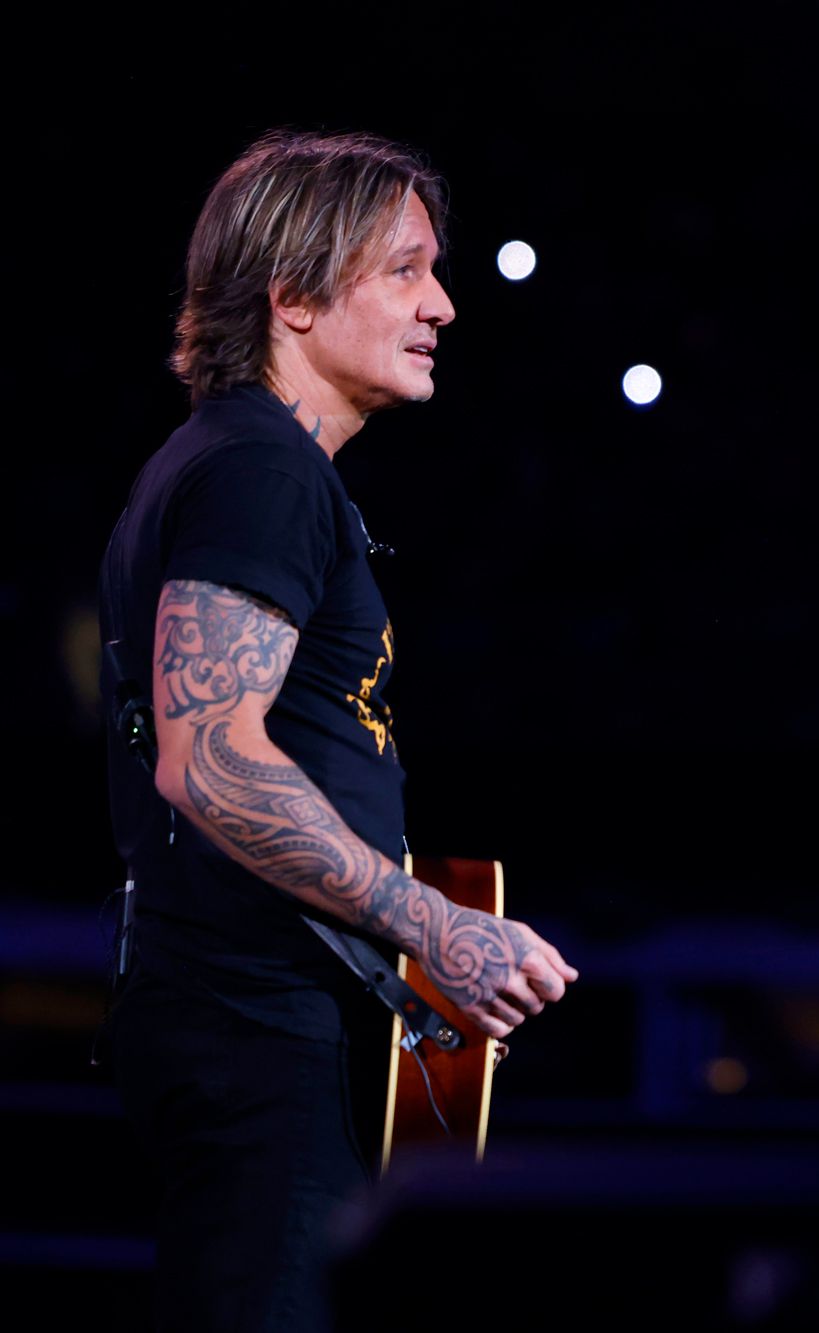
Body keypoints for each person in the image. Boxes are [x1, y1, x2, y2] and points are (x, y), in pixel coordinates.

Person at [98, 130, 580, 1330]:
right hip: (253, 1023)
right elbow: (205, 757)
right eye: (406, 270)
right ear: (297, 294)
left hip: (254, 1016)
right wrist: (436, 928)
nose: (444, 305)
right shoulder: (260, 470)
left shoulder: (242, 466)